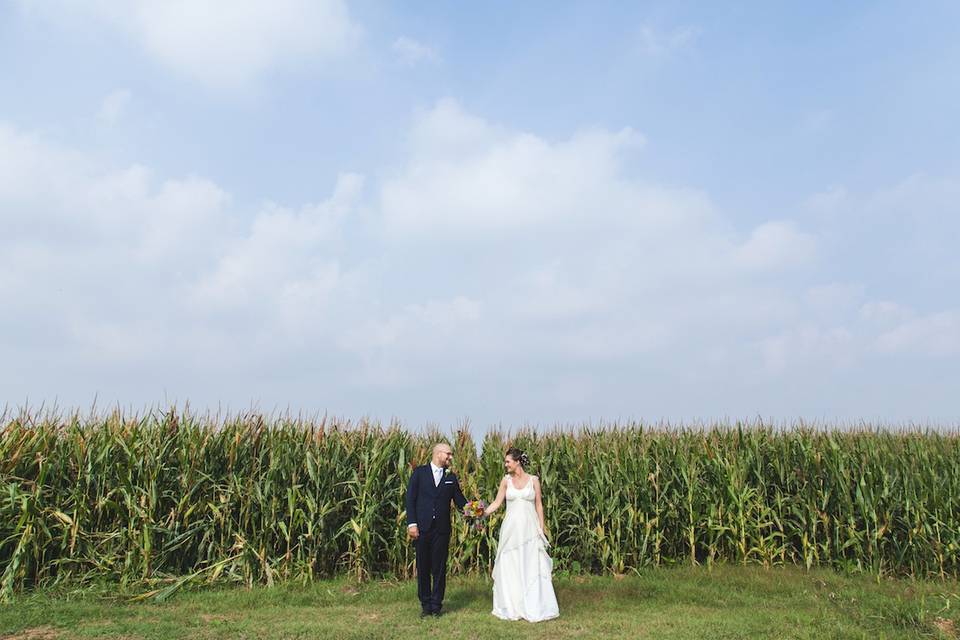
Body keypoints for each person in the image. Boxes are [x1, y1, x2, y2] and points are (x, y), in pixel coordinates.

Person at [483, 447, 559, 622]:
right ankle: (512, 606)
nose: (505, 464)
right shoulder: (505, 481)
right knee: (511, 565)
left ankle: (533, 605)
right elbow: (497, 502)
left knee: (531, 564)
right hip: (511, 530)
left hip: (530, 530)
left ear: (517, 462)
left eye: (508, 461)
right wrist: (482, 513)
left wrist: (541, 528)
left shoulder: (534, 480)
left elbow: (539, 504)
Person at [405, 442, 468, 617]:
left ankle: (436, 605)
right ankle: (425, 605)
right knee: (423, 567)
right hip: (422, 529)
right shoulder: (419, 473)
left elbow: (460, 502)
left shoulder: (451, 477)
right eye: (448, 454)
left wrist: (474, 510)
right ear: (438, 454)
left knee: (439, 569)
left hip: (441, 530)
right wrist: (412, 524)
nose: (450, 457)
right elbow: (410, 499)